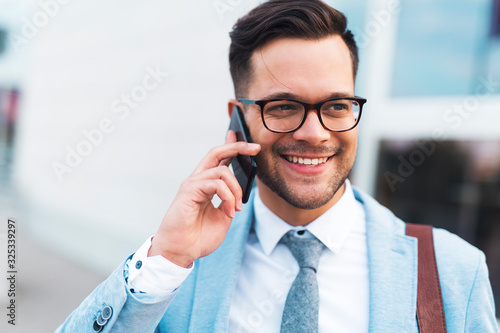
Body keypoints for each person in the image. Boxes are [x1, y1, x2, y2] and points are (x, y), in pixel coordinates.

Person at [57, 0, 498, 332]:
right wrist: (167, 259)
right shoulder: (179, 267)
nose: (314, 133)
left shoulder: (452, 271)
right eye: (284, 106)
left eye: (337, 105)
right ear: (238, 115)